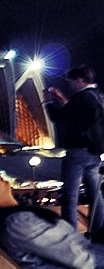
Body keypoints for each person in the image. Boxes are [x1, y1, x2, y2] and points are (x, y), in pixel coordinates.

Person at [44, 65, 104, 232]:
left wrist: (49, 100)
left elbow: (58, 117)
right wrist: (60, 97)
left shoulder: (82, 98)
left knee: (70, 195)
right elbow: (73, 111)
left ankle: (70, 233)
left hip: (78, 152)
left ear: (79, 80)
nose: (69, 85)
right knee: (95, 195)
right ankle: (99, 230)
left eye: (70, 81)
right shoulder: (97, 96)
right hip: (94, 153)